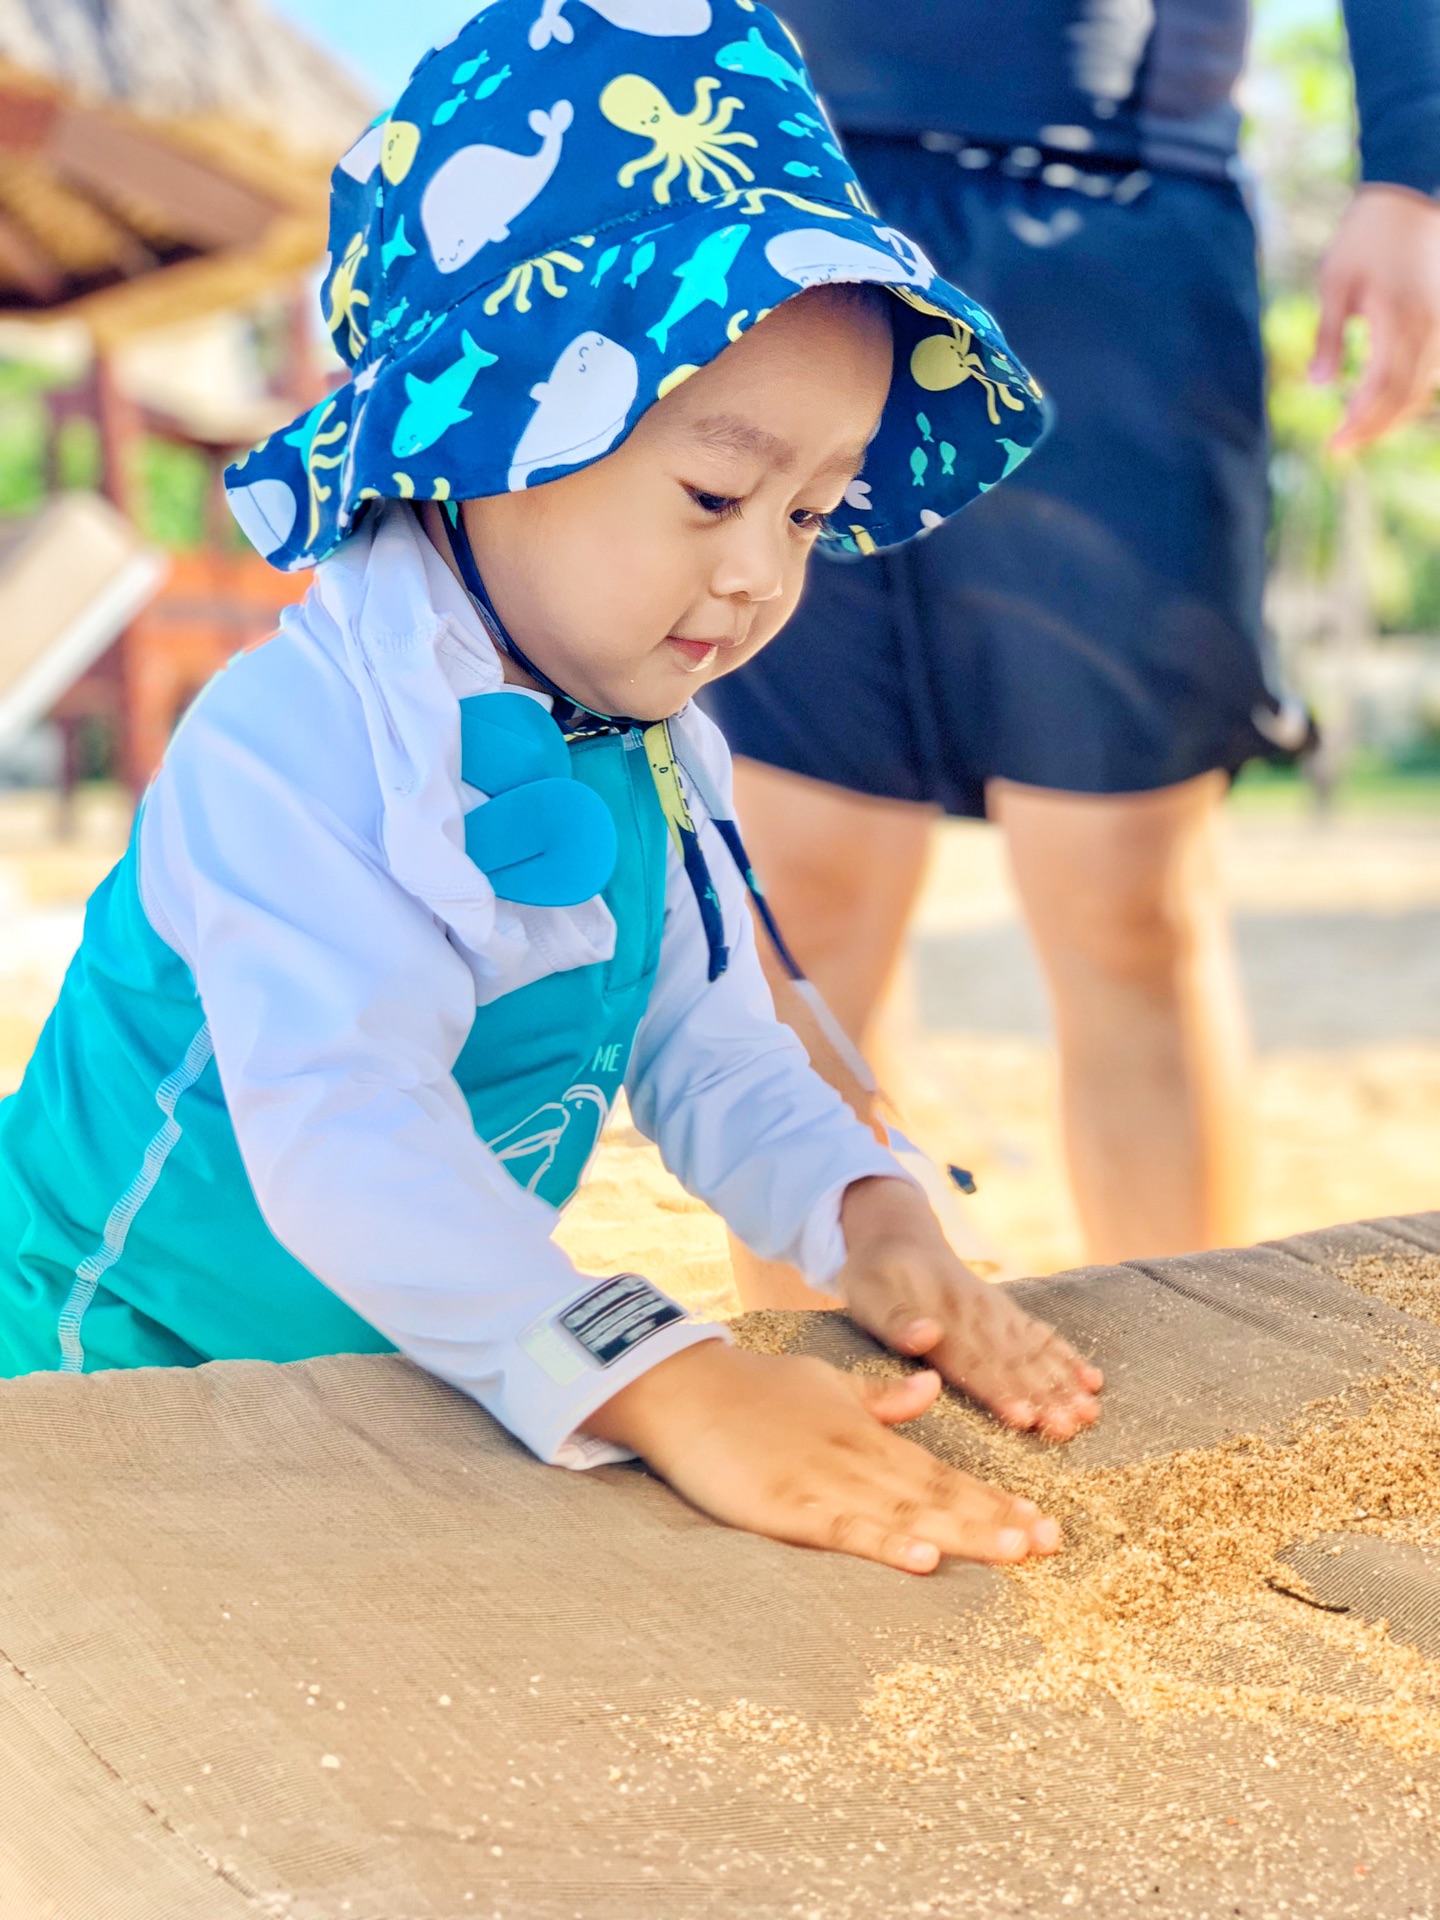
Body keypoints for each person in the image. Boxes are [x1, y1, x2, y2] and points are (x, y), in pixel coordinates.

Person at [0, 0, 1103, 1577]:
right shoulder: (296, 745)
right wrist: (669, 1376)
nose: (756, 574)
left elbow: (710, 1051)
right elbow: (349, 1130)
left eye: (808, 512)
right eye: (716, 491)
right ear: (503, 427)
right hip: (115, 1355)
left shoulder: (652, 740)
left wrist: (871, 1215)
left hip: (395, 1356)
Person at [705, 0, 1440, 1275]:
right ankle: (823, 1393)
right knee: (802, 892)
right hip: (775, 202)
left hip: (1110, 213)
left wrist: (1415, 165)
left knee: (1122, 898)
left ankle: (1196, 1414)